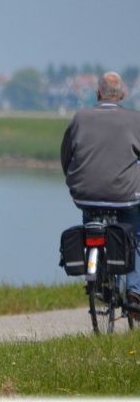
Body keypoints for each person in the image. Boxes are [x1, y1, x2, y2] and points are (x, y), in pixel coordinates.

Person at [61, 71, 140, 310]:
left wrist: (74, 182)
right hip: (125, 197)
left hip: (86, 194)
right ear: (123, 95)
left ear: (97, 94)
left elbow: (67, 155)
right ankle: (135, 291)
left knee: (92, 219)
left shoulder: (79, 118)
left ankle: (101, 277)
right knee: (136, 234)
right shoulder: (135, 120)